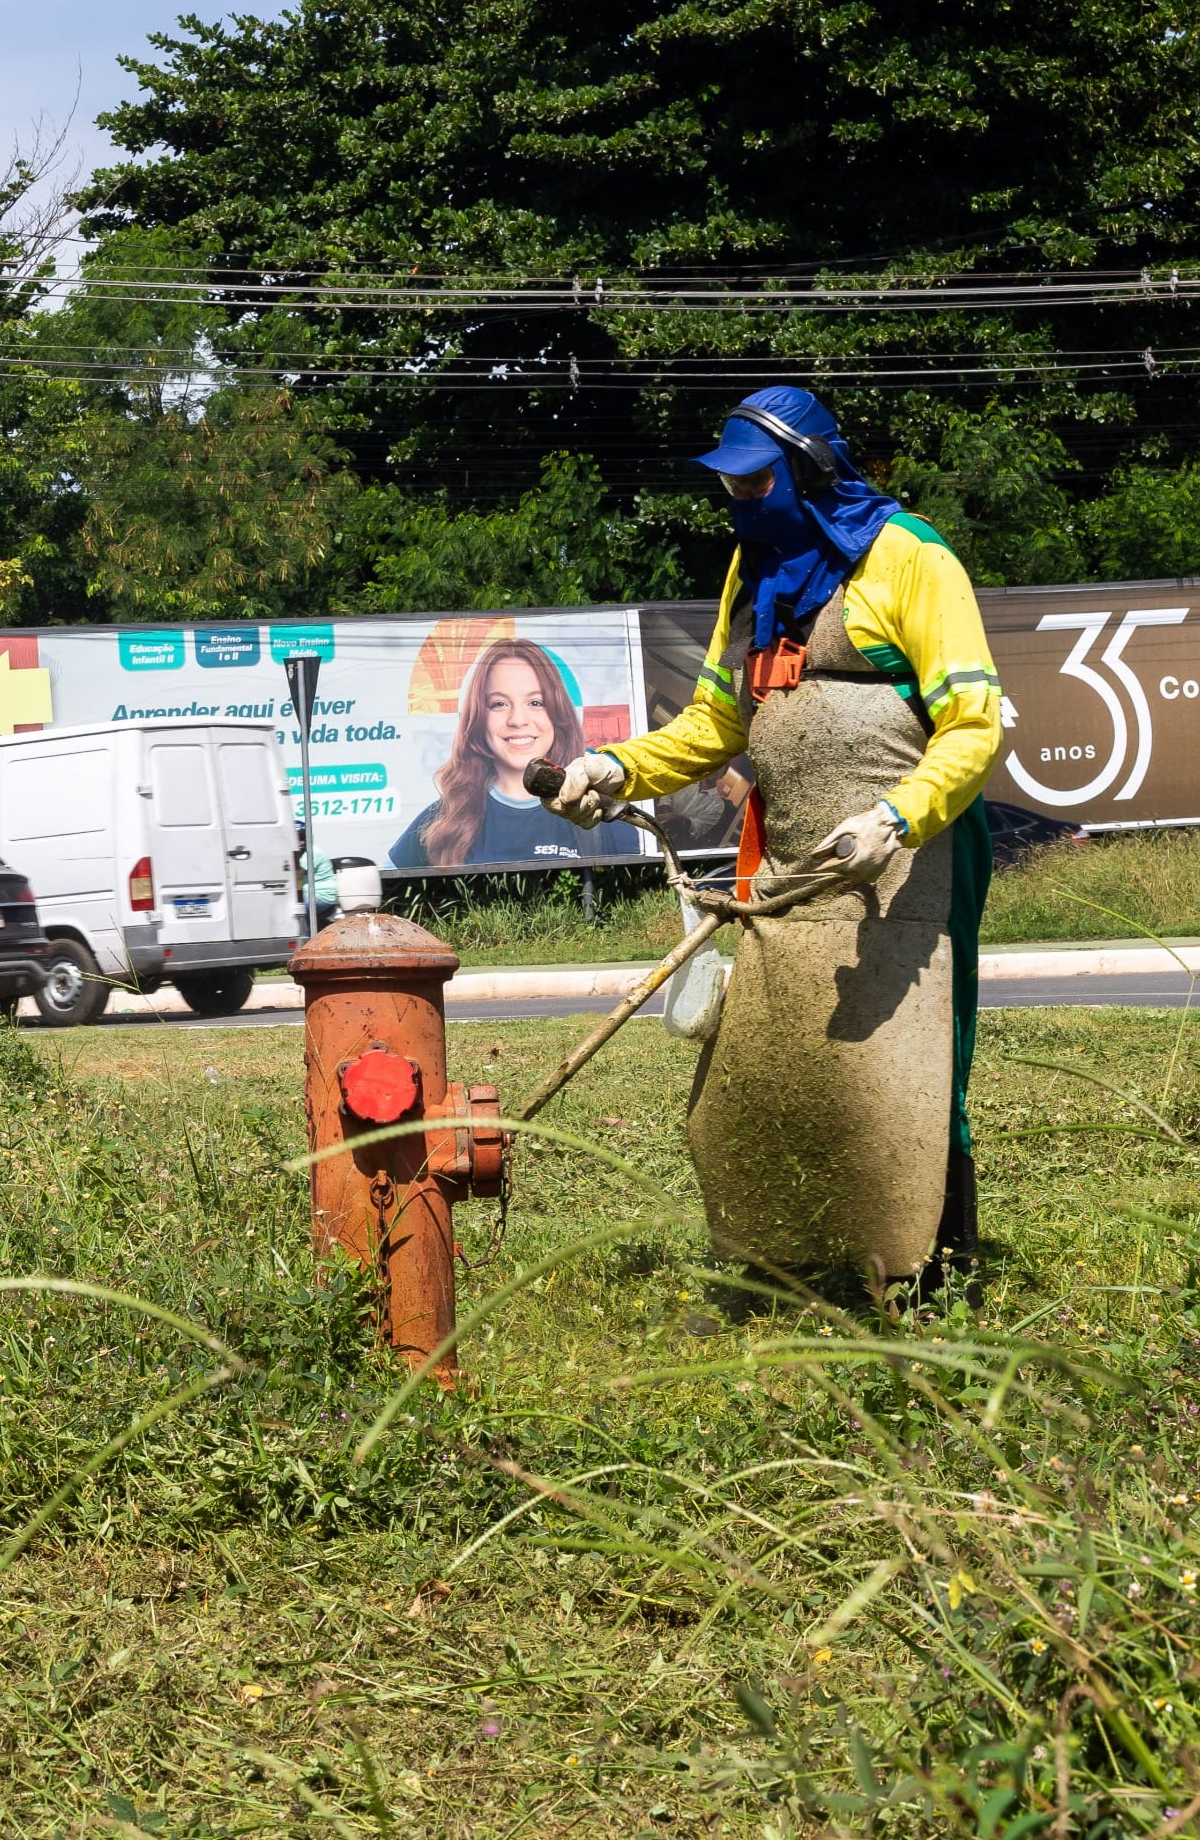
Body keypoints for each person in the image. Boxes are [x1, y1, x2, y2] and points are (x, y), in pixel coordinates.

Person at [548, 386, 1001, 1285]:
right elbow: (715, 726)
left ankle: (932, 1265)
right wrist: (615, 769)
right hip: (794, 868)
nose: (740, 500)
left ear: (811, 469)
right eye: (730, 486)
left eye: (757, 482)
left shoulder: (913, 559)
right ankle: (793, 1267)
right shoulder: (754, 573)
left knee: (906, 1064)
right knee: (775, 1066)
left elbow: (975, 726)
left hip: (914, 857)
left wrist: (895, 818)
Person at [389, 638, 643, 870]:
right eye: (499, 704)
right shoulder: (444, 818)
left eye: (536, 702)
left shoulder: (600, 812)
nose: (518, 720)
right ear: (478, 718)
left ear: (558, 714)